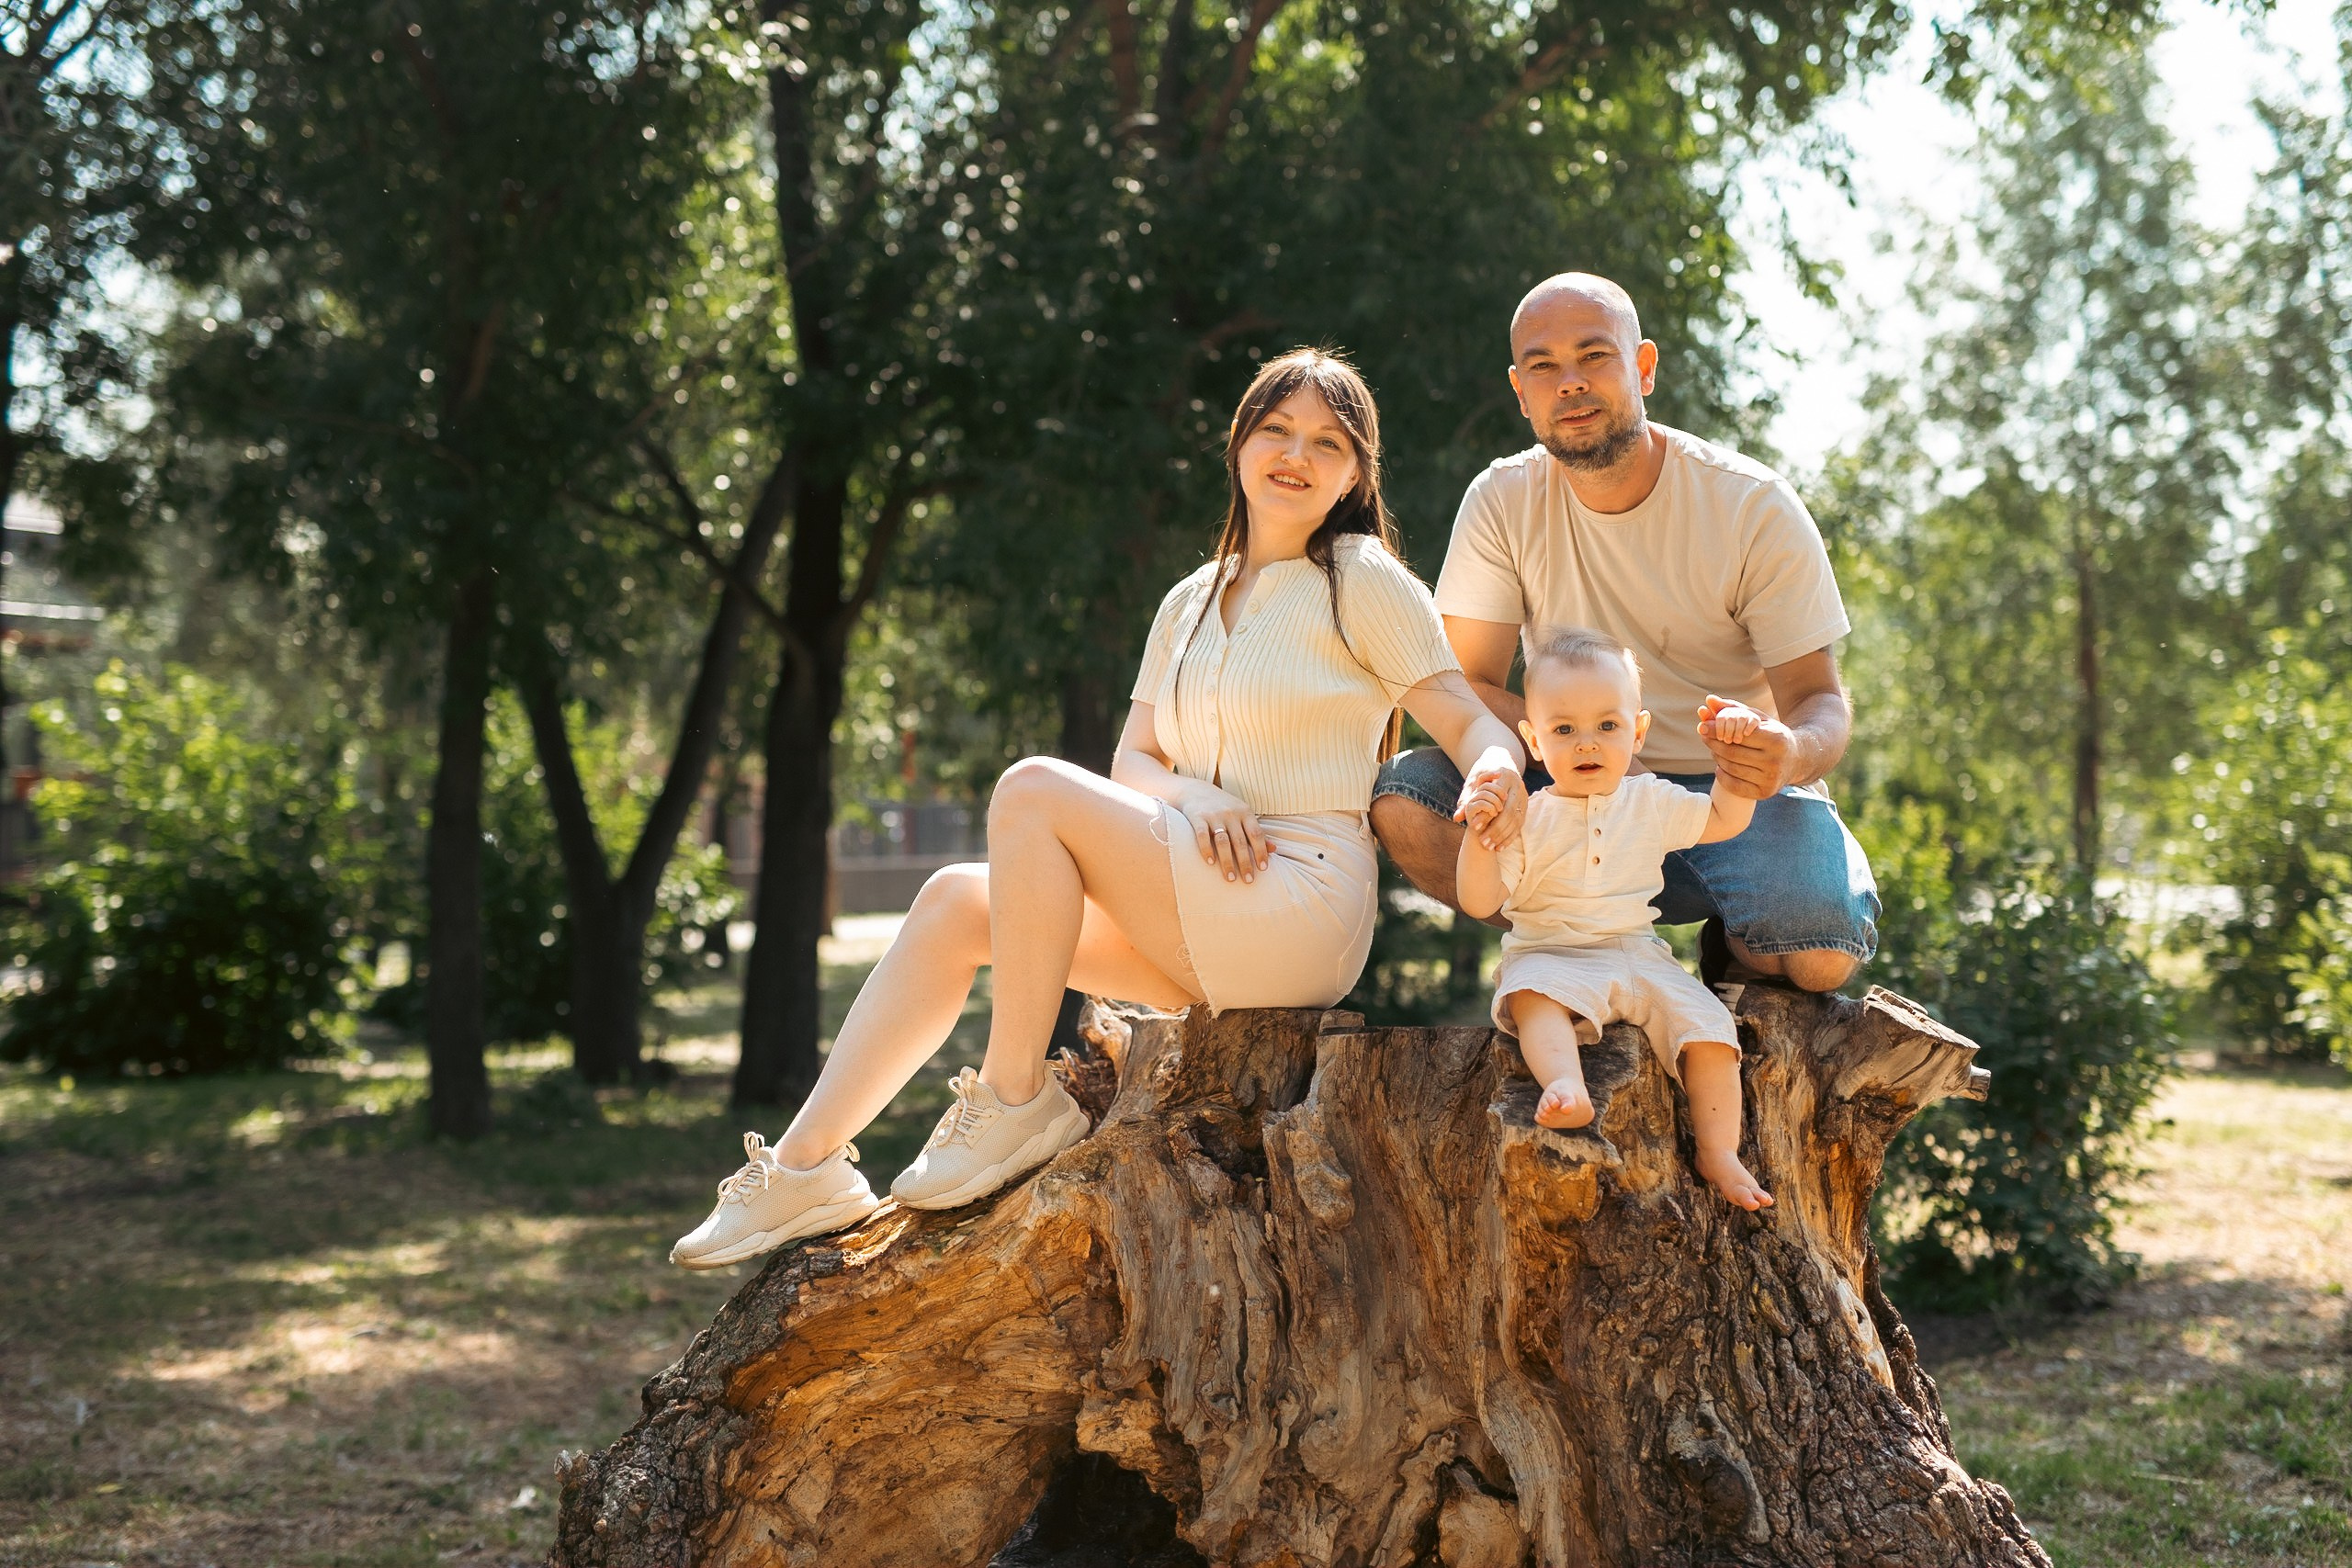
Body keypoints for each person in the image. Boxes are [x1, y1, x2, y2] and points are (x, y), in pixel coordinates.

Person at [671, 348, 1528, 1270]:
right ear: (1239, 443)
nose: (1297, 453)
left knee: (1033, 787)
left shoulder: (1358, 576)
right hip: (1201, 895)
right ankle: (806, 1169)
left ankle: (1013, 1099)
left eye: (1328, 442)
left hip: (1301, 903)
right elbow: (1134, 761)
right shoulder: (1191, 601)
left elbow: (1466, 719)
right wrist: (1193, 795)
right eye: (1276, 429)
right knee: (956, 900)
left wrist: (1493, 774)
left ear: (1356, 473)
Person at [1371, 272, 1879, 993]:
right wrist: (1602, 752)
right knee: (1409, 800)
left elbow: (1819, 700)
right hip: (1569, 775)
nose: (1569, 382)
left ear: (1643, 366)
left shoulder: (1753, 506)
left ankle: (1735, 944)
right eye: (1544, 367)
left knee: (1818, 953)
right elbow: (1465, 686)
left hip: (1727, 792)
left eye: (1593, 356)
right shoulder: (1501, 499)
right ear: (1522, 393)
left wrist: (1787, 753)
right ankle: (1575, 946)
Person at [1455, 627, 1770, 1210]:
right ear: (1532, 738)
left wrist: (1734, 765)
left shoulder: (1649, 800)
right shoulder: (1527, 816)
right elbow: (1479, 902)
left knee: (1709, 1025)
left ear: (1638, 730)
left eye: (1607, 726)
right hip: (1551, 952)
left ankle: (1720, 1151)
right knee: (1532, 998)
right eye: (1563, 730)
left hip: (1637, 953)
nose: (1586, 745)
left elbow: (1725, 820)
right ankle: (1564, 1083)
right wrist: (1479, 838)